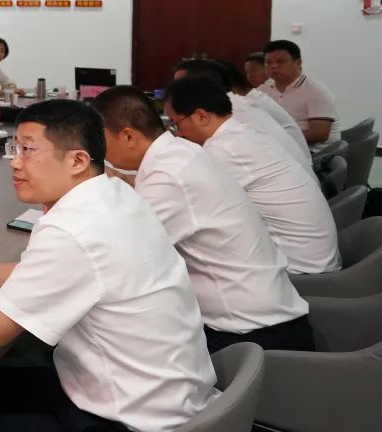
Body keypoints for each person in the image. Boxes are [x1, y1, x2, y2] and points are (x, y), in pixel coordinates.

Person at [0, 100, 216, 432]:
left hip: (129, 419)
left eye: (28, 150)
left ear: (77, 160)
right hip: (164, 393)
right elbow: (54, 272)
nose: (14, 162)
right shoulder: (113, 193)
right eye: (15, 148)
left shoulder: (73, 230)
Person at [93, 86, 313, 354]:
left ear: (128, 136)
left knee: (106, 338)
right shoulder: (180, 152)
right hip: (266, 316)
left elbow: (119, 254)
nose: (100, 152)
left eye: (101, 141)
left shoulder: (169, 175)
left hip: (252, 337)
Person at [164, 75, 341, 274]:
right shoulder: (242, 133)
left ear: (201, 116)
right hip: (312, 257)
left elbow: (179, 202)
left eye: (176, 124)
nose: (178, 134)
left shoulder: (225, 149)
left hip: (298, 271)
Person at [173, 59, 312, 174]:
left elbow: (201, 160)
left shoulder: (230, 112)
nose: (174, 94)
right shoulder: (236, 103)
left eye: (179, 87)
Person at [262, 40, 340, 151]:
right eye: (268, 62)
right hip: (280, 148)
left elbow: (319, 134)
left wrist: (277, 139)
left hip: (314, 154)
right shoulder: (264, 90)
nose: (273, 66)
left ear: (298, 63)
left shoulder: (316, 91)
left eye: (280, 61)